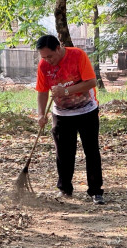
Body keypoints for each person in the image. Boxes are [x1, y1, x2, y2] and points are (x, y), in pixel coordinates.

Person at [35, 34, 104, 205]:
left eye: (50, 56)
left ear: (58, 48)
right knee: (64, 154)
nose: (47, 60)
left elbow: (91, 82)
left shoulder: (78, 55)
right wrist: (40, 114)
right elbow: (42, 91)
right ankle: (65, 189)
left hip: (87, 110)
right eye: (44, 57)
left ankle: (95, 191)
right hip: (62, 114)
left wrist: (66, 91)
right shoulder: (44, 65)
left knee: (91, 151)